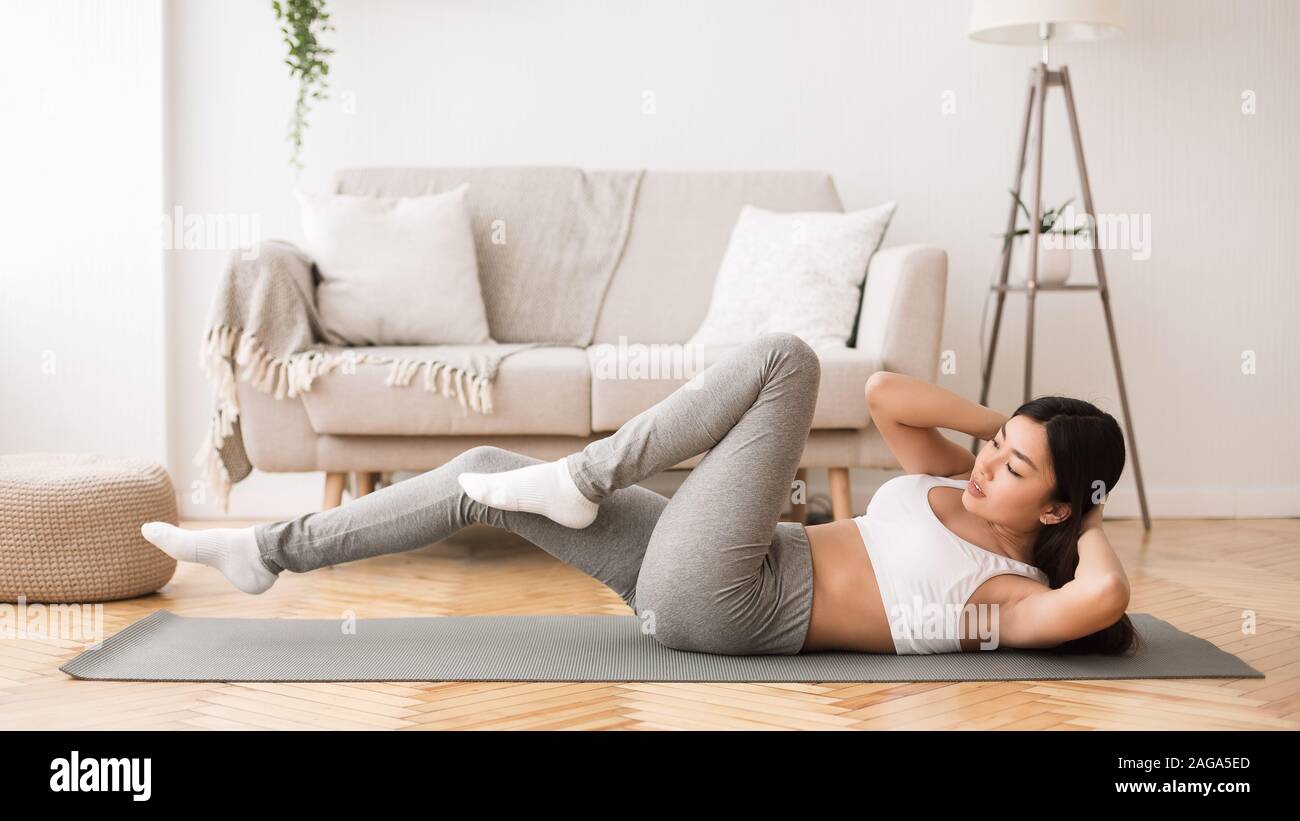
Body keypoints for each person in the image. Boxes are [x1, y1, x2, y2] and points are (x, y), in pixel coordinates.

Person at [143, 331, 1137, 656]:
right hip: (713, 566)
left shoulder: (1010, 594)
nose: (983, 461)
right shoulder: (944, 482)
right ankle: (267, 549)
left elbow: (1102, 595)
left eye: (1012, 467)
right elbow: (886, 392)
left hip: (735, 599)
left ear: (1060, 509)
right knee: (486, 471)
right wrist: (1014, 427)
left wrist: (1084, 511)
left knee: (785, 361)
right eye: (991, 443)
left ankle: (585, 473)